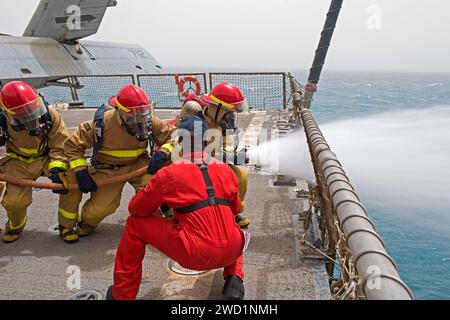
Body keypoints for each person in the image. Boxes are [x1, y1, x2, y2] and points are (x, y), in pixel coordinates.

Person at [107, 116, 247, 300]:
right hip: (234, 250)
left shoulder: (170, 173)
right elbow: (236, 209)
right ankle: (234, 280)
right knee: (230, 222)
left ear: (180, 140)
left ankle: (122, 295)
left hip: (196, 255)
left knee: (134, 224)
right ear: (206, 140)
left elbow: (137, 209)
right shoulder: (225, 170)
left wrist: (149, 194)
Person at [58, 84, 177, 243]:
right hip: (109, 169)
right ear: (119, 112)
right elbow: (72, 146)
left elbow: (175, 135)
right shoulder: (101, 124)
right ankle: (85, 223)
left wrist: (164, 152)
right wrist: (80, 171)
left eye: (142, 115)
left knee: (157, 189)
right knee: (99, 210)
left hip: (139, 165)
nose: (138, 121)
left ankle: (154, 220)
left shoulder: (149, 120)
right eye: (132, 117)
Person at [0, 81, 70, 243]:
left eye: (31, 112)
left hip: (47, 158)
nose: (30, 118)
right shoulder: (3, 122)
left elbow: (60, 144)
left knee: (71, 181)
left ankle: (67, 225)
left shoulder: (50, 115)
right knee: (15, 202)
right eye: (22, 115)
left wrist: (57, 169)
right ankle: (16, 225)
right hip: (18, 162)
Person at [199, 82, 250, 229]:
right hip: (193, 167)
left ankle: (233, 212)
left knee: (241, 176)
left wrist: (232, 155)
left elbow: (226, 144)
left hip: (214, 164)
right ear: (215, 107)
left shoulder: (222, 123)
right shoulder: (195, 122)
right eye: (228, 112)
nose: (231, 116)